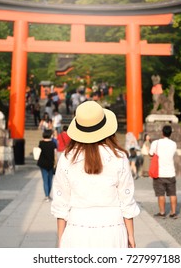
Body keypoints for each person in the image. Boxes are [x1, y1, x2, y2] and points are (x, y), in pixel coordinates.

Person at [51, 101, 140, 248]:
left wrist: (60, 239)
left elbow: (61, 203)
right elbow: (126, 200)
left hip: (77, 228)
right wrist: (130, 234)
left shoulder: (67, 158)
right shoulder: (119, 156)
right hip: (113, 228)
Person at [149, 125, 178, 219]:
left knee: (161, 194)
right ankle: (173, 212)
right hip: (171, 172)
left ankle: (162, 212)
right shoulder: (174, 144)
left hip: (159, 173)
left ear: (162, 132)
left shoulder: (156, 143)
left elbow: (150, 154)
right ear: (170, 133)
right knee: (172, 193)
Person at [37, 129, 57, 202]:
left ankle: (46, 196)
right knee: (50, 180)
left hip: (42, 163)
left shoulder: (41, 143)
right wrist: (55, 163)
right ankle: (48, 194)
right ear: (50, 135)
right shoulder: (53, 143)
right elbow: (55, 154)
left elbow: (38, 151)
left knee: (45, 180)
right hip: (50, 163)